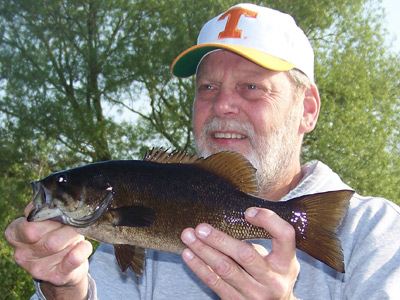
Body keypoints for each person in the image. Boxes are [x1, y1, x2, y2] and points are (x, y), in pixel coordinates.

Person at [5, 3, 400, 299]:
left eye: (252, 87)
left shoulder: (377, 234)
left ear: (308, 109)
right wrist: (63, 287)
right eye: (207, 88)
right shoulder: (118, 242)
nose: (222, 105)